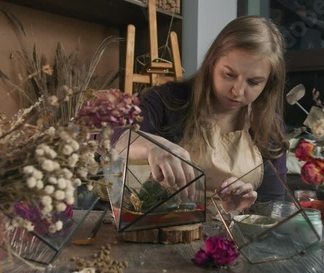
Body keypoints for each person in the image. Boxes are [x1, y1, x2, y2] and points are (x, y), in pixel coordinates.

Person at [113, 16, 288, 213]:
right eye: (229, 75)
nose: (237, 91)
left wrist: (243, 211)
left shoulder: (269, 127)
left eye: (254, 82)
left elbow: (273, 210)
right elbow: (112, 136)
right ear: (212, 63)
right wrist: (150, 145)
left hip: (228, 239)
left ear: (268, 83)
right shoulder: (168, 101)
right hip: (161, 232)